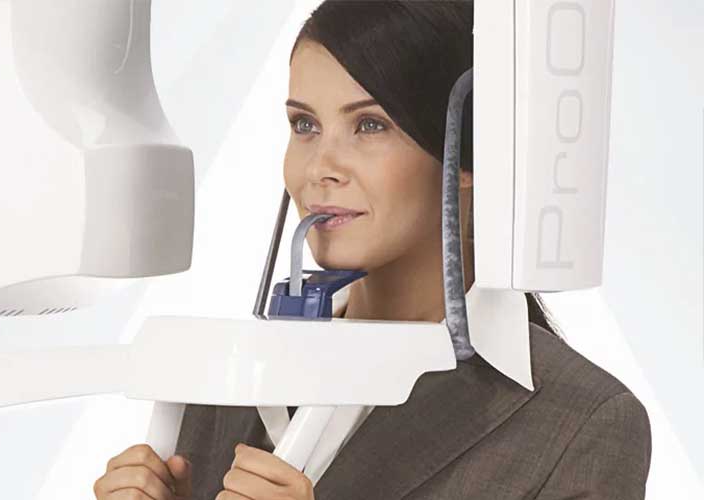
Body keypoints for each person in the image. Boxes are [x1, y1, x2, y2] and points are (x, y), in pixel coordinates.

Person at [94, 1, 652, 499]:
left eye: (368, 125)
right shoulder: (221, 378)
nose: (319, 168)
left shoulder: (582, 426)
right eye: (305, 124)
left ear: (468, 154)